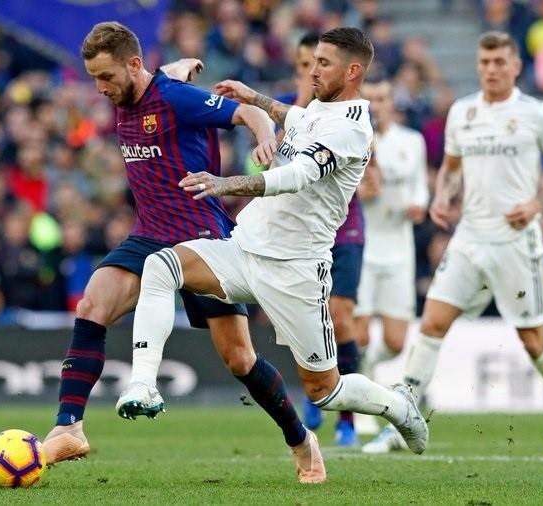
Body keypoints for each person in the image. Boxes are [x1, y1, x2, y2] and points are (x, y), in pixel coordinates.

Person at [115, 27, 428, 484]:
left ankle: (399, 406)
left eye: (324, 63)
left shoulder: (352, 128)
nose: (313, 69)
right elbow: (294, 118)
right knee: (161, 266)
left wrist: (227, 184)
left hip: (296, 269)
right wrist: (253, 97)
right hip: (245, 248)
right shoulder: (322, 110)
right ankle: (144, 383)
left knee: (326, 390)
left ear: (354, 71)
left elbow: (296, 176)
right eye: (313, 60)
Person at [42, 22, 313, 474]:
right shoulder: (138, 87)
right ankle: (69, 428)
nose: (100, 87)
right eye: (93, 77)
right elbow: (160, 73)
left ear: (132, 65)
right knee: (92, 304)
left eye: (106, 76)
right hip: (149, 235)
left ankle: (302, 441)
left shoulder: (174, 98)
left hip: (201, 238)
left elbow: (246, 113)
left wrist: (266, 135)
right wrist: (183, 65)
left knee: (240, 359)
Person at [363, 31, 543, 454]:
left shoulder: (537, 113)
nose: (491, 70)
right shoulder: (462, 112)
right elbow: (449, 169)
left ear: (516, 66)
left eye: (500, 62)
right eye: (485, 63)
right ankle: (402, 423)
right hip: (469, 237)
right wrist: (444, 197)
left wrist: (537, 203)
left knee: (533, 340)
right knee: (431, 325)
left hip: (516, 241)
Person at [280, 32, 368, 447]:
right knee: (301, 321)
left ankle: (347, 418)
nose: (310, 71)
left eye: (317, 64)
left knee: (340, 314)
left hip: (342, 226)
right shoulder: (293, 111)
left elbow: (366, 165)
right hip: (295, 231)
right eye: (304, 64)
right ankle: (318, 385)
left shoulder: (347, 118)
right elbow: (268, 162)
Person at [352, 79, 429, 436]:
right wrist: (362, 191)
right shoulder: (353, 141)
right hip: (364, 248)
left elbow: (420, 190)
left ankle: (368, 372)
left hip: (399, 250)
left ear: (391, 102)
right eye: (372, 100)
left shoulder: (411, 142)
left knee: (396, 342)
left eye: (383, 98)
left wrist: (419, 206)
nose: (377, 105)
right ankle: (363, 403)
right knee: (361, 333)